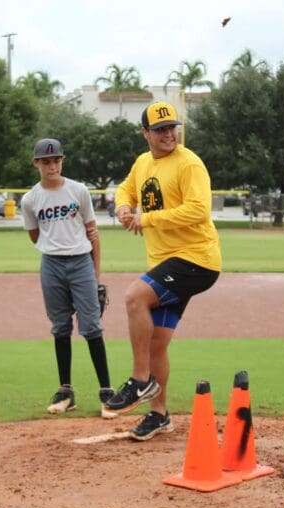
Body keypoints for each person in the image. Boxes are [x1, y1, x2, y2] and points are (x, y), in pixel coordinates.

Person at [103, 102, 222, 441]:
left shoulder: (189, 164)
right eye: (160, 129)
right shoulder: (143, 162)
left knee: (134, 297)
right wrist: (124, 205)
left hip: (196, 260)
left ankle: (140, 380)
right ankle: (159, 414)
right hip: (166, 262)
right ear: (145, 133)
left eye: (172, 127)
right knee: (157, 342)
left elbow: (199, 210)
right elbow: (127, 187)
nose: (169, 134)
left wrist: (147, 218)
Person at [20, 138, 115, 417]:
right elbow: (35, 234)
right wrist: (54, 246)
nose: (52, 165)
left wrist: (96, 275)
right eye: (46, 161)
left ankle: (107, 393)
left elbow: (93, 233)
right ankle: (66, 392)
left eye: (56, 160)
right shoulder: (30, 199)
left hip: (80, 262)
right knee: (60, 327)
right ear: (36, 163)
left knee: (91, 327)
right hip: (51, 264)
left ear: (62, 160)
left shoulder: (78, 191)